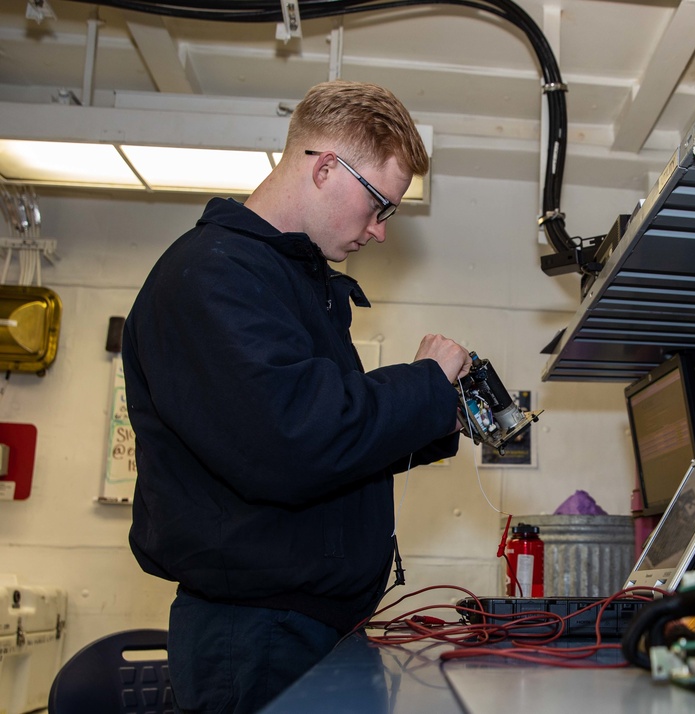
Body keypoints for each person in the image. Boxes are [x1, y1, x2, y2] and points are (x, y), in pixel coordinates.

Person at [122, 80, 471, 714]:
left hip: (304, 629)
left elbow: (325, 435)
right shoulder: (214, 274)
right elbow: (296, 437)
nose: (380, 231)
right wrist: (422, 383)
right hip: (256, 636)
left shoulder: (284, 280)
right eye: (380, 207)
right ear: (327, 168)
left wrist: (434, 418)